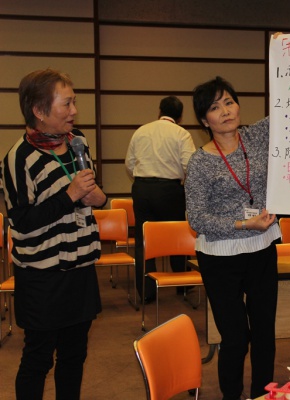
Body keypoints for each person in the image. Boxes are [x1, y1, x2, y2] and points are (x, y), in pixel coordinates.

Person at [2, 68, 106, 399]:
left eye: (74, 102)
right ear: (39, 110)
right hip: (42, 277)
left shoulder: (78, 142)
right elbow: (21, 221)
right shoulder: (18, 158)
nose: (74, 111)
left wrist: (97, 197)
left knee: (75, 356)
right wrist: (70, 195)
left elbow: (93, 193)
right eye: (67, 104)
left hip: (81, 269)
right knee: (38, 359)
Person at [185, 76, 280, 400]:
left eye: (229, 102)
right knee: (236, 338)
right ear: (204, 120)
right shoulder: (200, 162)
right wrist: (243, 224)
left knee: (265, 333)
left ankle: (262, 395)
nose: (225, 111)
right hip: (220, 256)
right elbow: (197, 219)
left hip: (262, 246)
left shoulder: (255, 135)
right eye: (215, 107)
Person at [125, 96, 196, 303]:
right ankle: (182, 284)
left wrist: (143, 178)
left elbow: (129, 164)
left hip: (142, 189)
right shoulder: (181, 134)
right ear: (180, 116)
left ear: (159, 111)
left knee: (143, 239)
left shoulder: (141, 131)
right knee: (177, 236)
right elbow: (189, 165)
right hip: (170, 190)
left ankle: (146, 291)